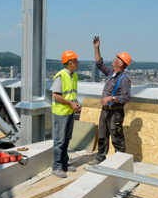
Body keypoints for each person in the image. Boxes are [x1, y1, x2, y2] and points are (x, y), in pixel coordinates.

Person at [89, 36, 131, 165]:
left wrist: (111, 98)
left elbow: (126, 97)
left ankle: (120, 162)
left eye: (116, 58)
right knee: (102, 135)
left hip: (115, 113)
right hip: (106, 111)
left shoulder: (124, 79)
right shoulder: (111, 74)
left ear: (121, 63)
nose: (114, 59)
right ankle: (100, 157)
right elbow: (99, 63)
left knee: (116, 138)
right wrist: (97, 48)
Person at [51, 50, 81, 178]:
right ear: (70, 63)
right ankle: (56, 167)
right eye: (75, 60)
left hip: (69, 112)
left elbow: (71, 94)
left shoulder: (74, 76)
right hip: (61, 113)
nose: (78, 62)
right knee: (59, 141)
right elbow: (55, 95)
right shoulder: (60, 75)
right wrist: (70, 104)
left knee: (67, 139)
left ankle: (64, 163)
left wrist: (76, 103)